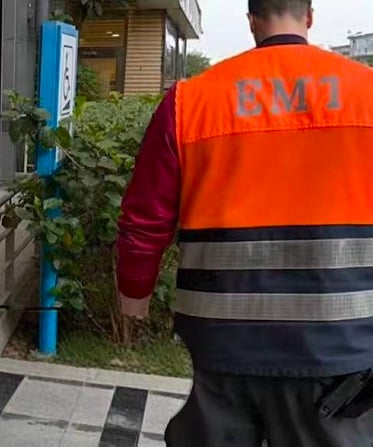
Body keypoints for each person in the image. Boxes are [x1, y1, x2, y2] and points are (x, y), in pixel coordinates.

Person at [115, 0, 373, 445]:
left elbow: (144, 218)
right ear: (309, 16)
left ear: (252, 21)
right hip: (340, 348)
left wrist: (133, 296)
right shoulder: (366, 93)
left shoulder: (191, 101)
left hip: (221, 344)